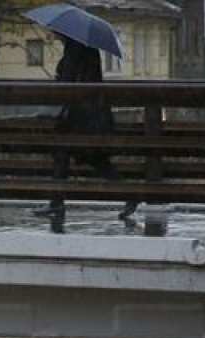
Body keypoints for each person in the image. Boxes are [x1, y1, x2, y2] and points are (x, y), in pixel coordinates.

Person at [33, 33, 138, 222]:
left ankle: (129, 195)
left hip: (81, 116)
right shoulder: (82, 47)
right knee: (70, 156)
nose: (54, 35)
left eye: (56, 32)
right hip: (87, 114)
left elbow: (68, 79)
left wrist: (59, 79)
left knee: (85, 157)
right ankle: (57, 200)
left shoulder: (76, 47)